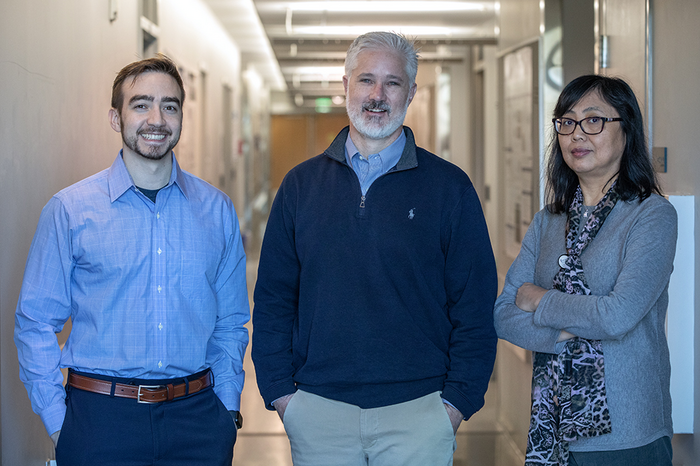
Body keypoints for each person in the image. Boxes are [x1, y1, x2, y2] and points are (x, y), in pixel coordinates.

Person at [252, 31, 497, 466]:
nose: (377, 95)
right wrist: (281, 395)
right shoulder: (300, 187)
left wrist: (455, 405)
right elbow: (273, 299)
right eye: (366, 80)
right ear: (345, 85)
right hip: (318, 411)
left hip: (420, 412)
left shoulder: (449, 188)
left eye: (393, 82)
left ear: (412, 92)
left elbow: (475, 306)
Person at [14, 55, 249, 466]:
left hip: (196, 419)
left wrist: (226, 410)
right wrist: (58, 422)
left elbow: (230, 321)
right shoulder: (69, 210)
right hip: (99, 420)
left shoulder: (217, 210)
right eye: (141, 104)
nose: (156, 118)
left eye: (169, 105)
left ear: (180, 116)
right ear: (115, 117)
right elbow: (35, 322)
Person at [494, 75, 676, 466]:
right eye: (567, 121)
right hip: (552, 431)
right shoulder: (549, 221)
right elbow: (504, 315)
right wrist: (570, 327)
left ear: (626, 130)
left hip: (628, 435)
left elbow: (618, 315)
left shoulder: (652, 216)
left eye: (594, 121)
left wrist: (541, 299)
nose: (577, 134)